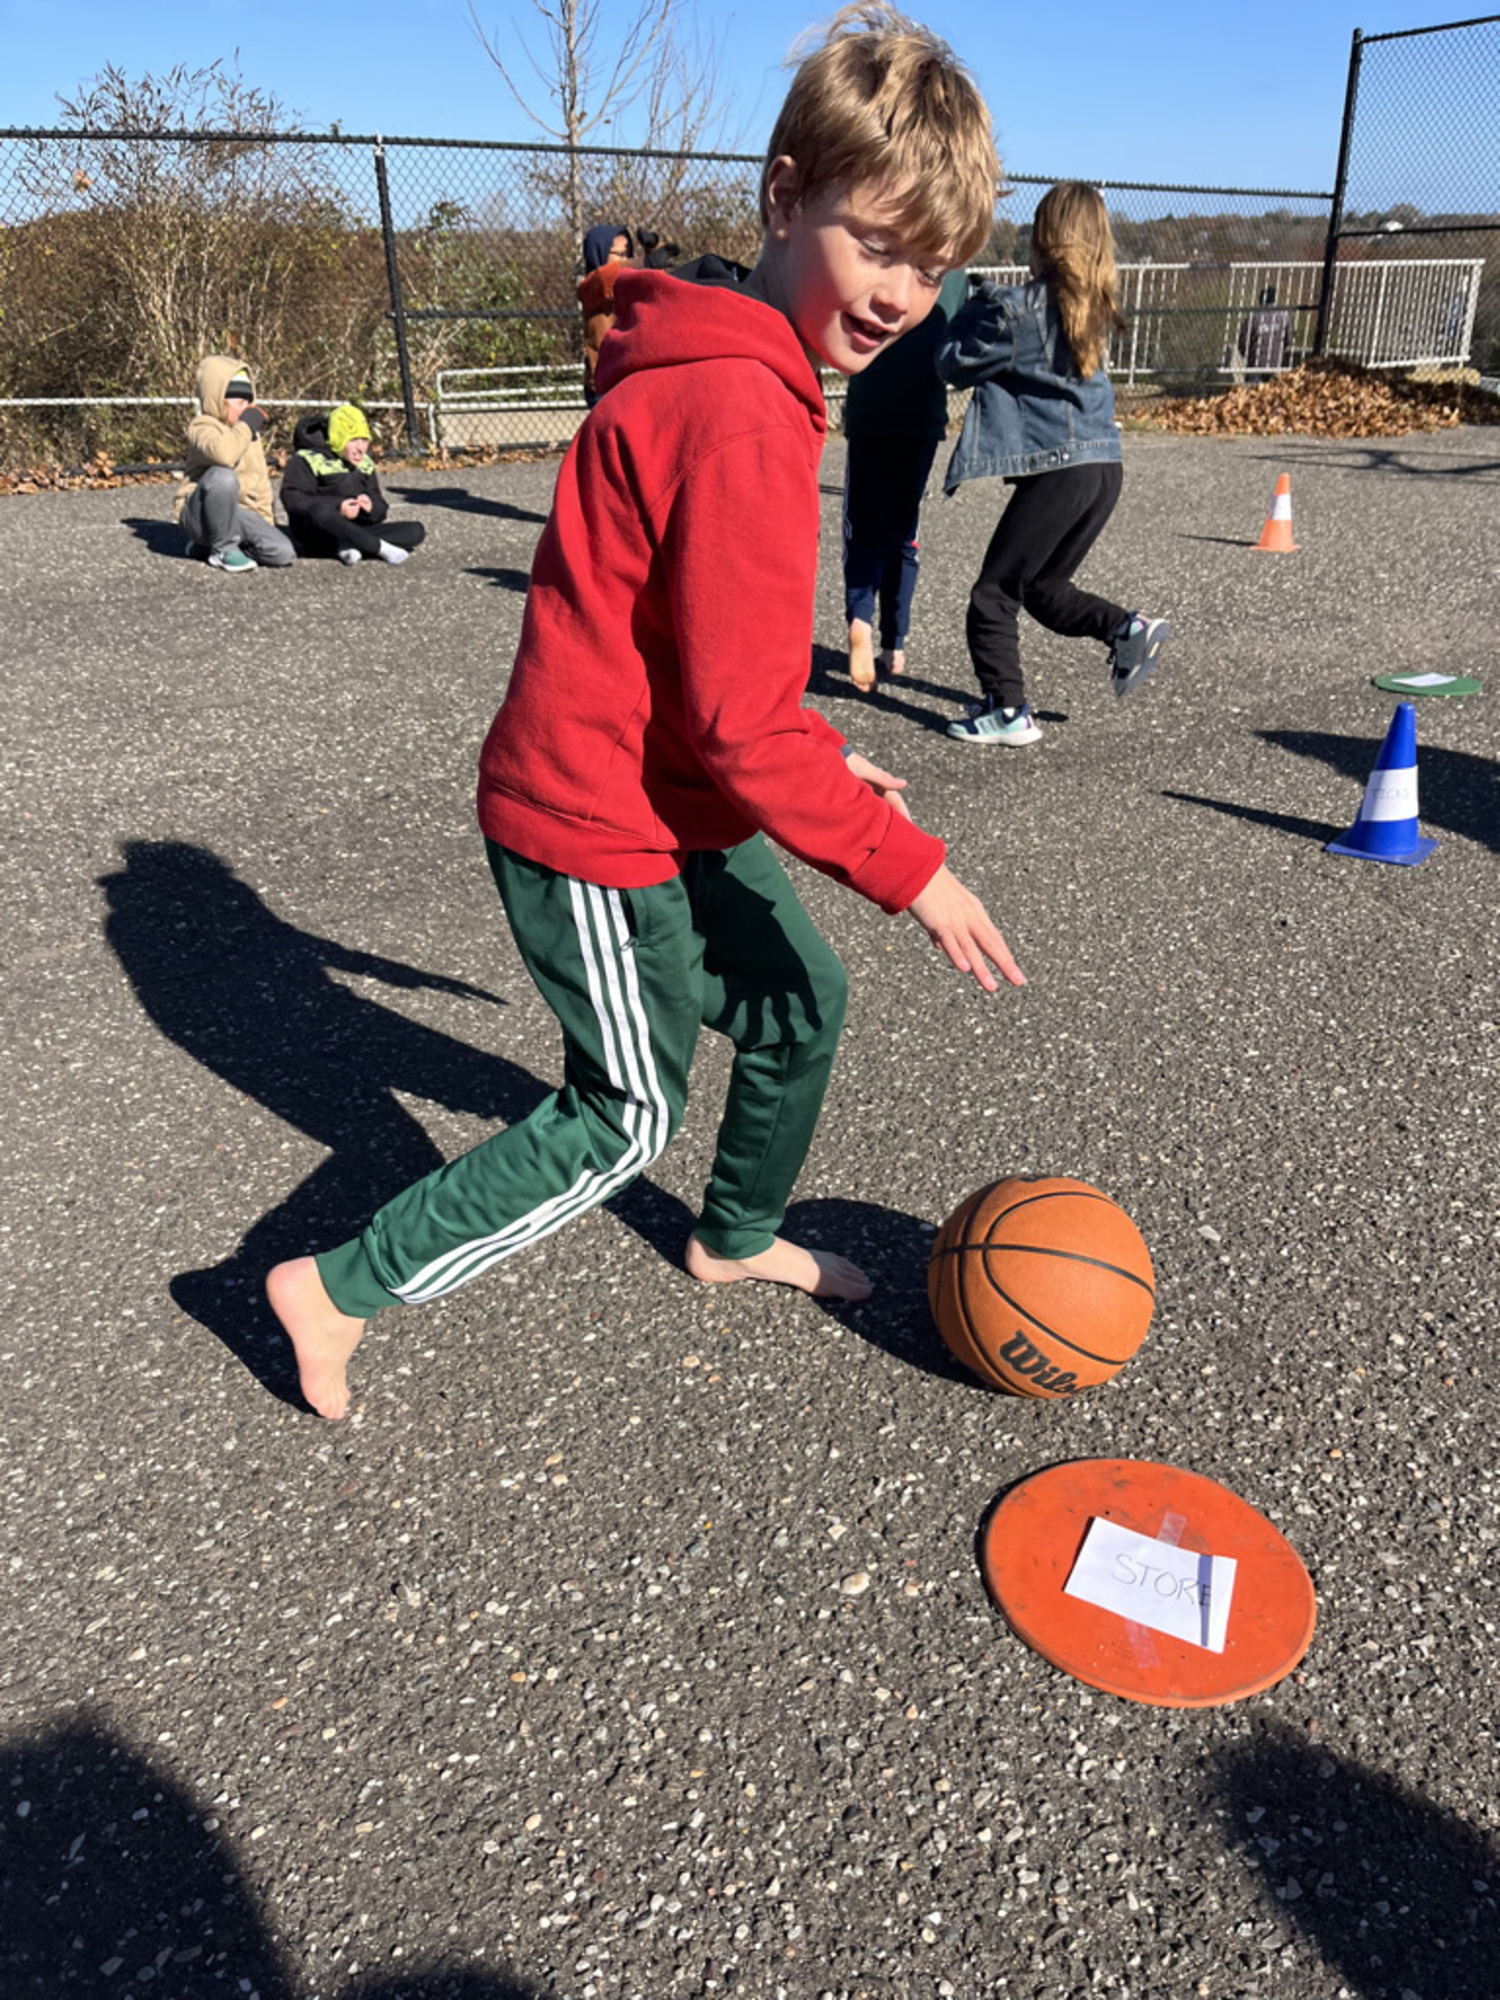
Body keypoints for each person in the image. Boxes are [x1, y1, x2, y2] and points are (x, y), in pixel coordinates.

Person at [266, 1, 1022, 1422]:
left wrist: (822, 754)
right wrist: (907, 868)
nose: (900, 292)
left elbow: (712, 668)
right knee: (626, 1113)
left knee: (799, 1002)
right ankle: (338, 1285)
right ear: (787, 196)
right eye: (878, 241)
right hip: (593, 819)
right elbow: (741, 719)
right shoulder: (741, 401)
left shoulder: (744, 368)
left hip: (667, 787)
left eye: (931, 265)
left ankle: (731, 1237)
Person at [935, 182, 1168, 745]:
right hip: (1104, 469)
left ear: (1044, 240)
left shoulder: (1019, 310)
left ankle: (1008, 711)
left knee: (992, 594)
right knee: (1041, 588)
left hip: (1064, 473)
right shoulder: (1093, 306)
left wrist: (969, 301)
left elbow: (951, 363)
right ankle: (1125, 628)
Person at [842, 264, 967, 689]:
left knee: (862, 529)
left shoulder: (879, 257)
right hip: (921, 414)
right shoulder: (954, 275)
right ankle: (894, 644)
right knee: (903, 529)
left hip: (871, 409)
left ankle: (861, 618)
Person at [175, 356, 295, 573]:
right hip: (199, 513)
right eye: (240, 402)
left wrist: (266, 522)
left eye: (250, 401)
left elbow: (258, 482)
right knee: (222, 476)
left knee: (282, 552)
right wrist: (247, 424)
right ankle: (223, 549)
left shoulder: (247, 433)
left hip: (237, 514)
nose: (248, 408)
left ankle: (208, 547)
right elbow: (224, 454)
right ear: (218, 400)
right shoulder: (202, 426)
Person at [280, 403, 426, 566]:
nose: (361, 448)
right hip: (317, 531)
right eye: (354, 440)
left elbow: (380, 508)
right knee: (321, 511)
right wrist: (338, 507)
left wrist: (370, 508)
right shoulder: (307, 459)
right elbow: (293, 499)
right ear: (338, 438)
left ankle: (349, 543)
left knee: (415, 530)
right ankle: (378, 547)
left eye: (364, 440)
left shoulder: (365, 464)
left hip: (354, 528)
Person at [577, 223, 633, 405]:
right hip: (604, 385)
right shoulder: (591, 286)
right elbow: (606, 277)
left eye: (628, 254)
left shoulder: (630, 284)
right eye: (620, 254)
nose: (627, 259)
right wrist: (646, 261)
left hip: (630, 380)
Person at [1239, 283, 1292, 374]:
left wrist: (1248, 355)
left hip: (1255, 365)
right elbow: (1288, 340)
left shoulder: (1254, 316)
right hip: (1276, 364)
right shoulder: (1284, 316)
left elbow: (1242, 342)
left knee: (1254, 387)